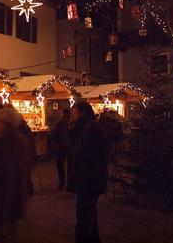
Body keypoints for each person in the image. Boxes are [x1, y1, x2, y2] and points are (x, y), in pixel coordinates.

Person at [0, 108, 31, 243]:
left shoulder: (0, 142)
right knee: (9, 228)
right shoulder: (19, 140)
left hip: (1, 193)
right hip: (14, 192)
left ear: (3, 122)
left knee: (5, 229)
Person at [70, 102, 109, 243]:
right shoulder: (83, 127)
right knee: (87, 213)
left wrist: (85, 173)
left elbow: (96, 154)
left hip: (89, 179)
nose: (72, 115)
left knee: (85, 213)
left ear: (82, 113)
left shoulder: (92, 127)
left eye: (74, 112)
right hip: (86, 178)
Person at [48, 108, 71, 190]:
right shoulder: (71, 123)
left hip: (62, 147)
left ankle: (63, 182)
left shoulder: (60, 124)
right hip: (68, 147)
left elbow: (54, 136)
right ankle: (68, 183)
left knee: (61, 165)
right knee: (69, 166)